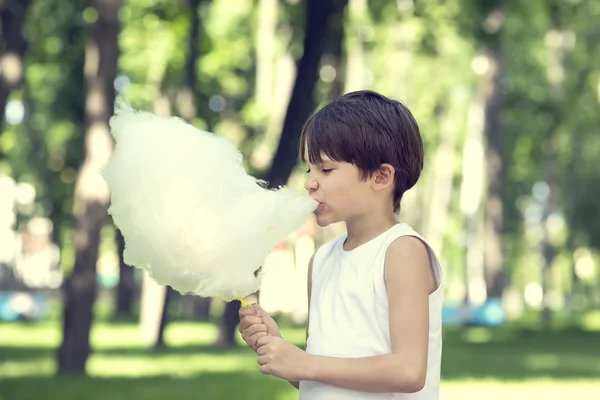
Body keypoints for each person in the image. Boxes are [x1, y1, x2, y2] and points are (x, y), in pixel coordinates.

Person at [239, 90, 444, 399]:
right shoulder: (321, 261)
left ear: (380, 177)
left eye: (326, 169)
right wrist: (280, 348)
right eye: (310, 169)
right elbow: (321, 378)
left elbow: (408, 372)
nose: (310, 182)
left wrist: (305, 364)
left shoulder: (401, 251)